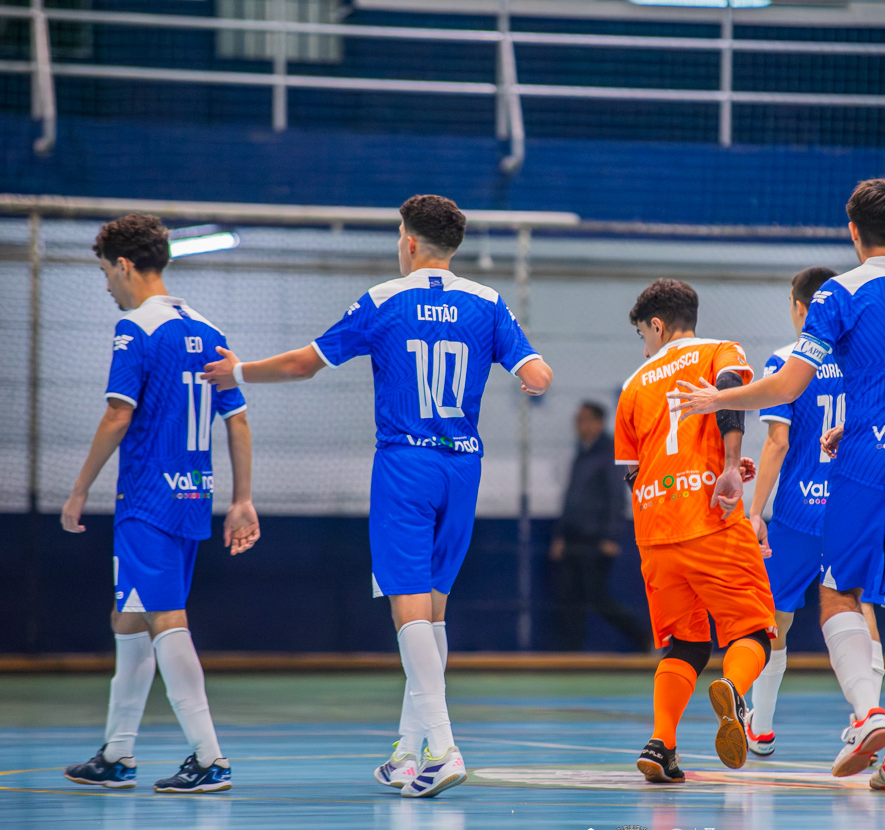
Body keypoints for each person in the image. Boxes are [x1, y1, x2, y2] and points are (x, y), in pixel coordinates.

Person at [204, 194, 552, 798]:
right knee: (433, 609)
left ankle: (443, 747)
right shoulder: (488, 302)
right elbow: (539, 377)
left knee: (407, 607)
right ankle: (408, 753)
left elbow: (302, 365)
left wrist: (237, 371)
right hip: (463, 467)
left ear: (409, 243)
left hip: (406, 463)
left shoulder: (385, 300)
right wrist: (524, 379)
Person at [670, 178, 885, 791]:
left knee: (838, 595)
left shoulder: (840, 292)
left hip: (869, 467)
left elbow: (787, 387)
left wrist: (717, 399)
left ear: (853, 232)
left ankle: (867, 712)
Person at [62, 214, 260, 794]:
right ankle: (117, 754)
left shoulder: (135, 329)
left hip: (147, 498)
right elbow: (238, 420)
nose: (106, 284)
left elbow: (117, 413)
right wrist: (242, 499)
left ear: (124, 265)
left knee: (166, 620)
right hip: (192, 494)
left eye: (106, 272)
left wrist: (79, 489)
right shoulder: (207, 328)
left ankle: (210, 758)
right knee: (129, 618)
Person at [615, 278, 777, 783]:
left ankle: (661, 744)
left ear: (658, 326)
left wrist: (685, 479)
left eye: (643, 334)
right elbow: (729, 394)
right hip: (710, 519)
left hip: (654, 534)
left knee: (684, 645)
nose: (644, 344)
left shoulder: (633, 384)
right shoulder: (719, 350)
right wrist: (727, 465)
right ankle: (734, 690)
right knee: (753, 631)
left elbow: (634, 471)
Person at [746, 265, 885, 772]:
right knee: (860, 606)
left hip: (797, 512)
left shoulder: (786, 362)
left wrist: (755, 511)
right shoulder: (865, 363)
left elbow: (777, 442)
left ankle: (761, 727)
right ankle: (867, 714)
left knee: (774, 617)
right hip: (852, 508)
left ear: (800, 308)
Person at [549, 402, 651, 651]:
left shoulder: (609, 454)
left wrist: (611, 537)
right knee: (569, 598)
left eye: (585, 419)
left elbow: (617, 497)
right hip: (573, 538)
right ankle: (568, 653)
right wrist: (561, 535)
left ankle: (644, 638)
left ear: (598, 423)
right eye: (578, 419)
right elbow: (571, 497)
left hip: (595, 540)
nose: (579, 425)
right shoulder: (581, 454)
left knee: (597, 597)